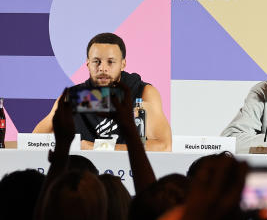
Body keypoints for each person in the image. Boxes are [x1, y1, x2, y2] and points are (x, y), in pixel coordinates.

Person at [34, 32, 172, 151]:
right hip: (86, 174)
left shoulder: (142, 93)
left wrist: (99, 147)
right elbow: (34, 142)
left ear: (123, 64)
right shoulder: (76, 97)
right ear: (88, 64)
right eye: (96, 61)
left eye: (110, 62)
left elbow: (164, 145)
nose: (103, 68)